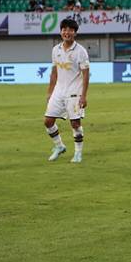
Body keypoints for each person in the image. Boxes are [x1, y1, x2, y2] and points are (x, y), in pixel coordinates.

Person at [44, 19, 90, 163]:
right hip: (58, 91)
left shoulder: (80, 51)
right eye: (64, 29)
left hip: (74, 92)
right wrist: (50, 92)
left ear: (75, 33)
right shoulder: (55, 49)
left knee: (75, 124)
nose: (67, 32)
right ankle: (59, 146)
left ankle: (78, 153)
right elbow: (54, 73)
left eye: (70, 30)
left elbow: (86, 74)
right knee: (48, 121)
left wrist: (84, 96)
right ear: (60, 31)